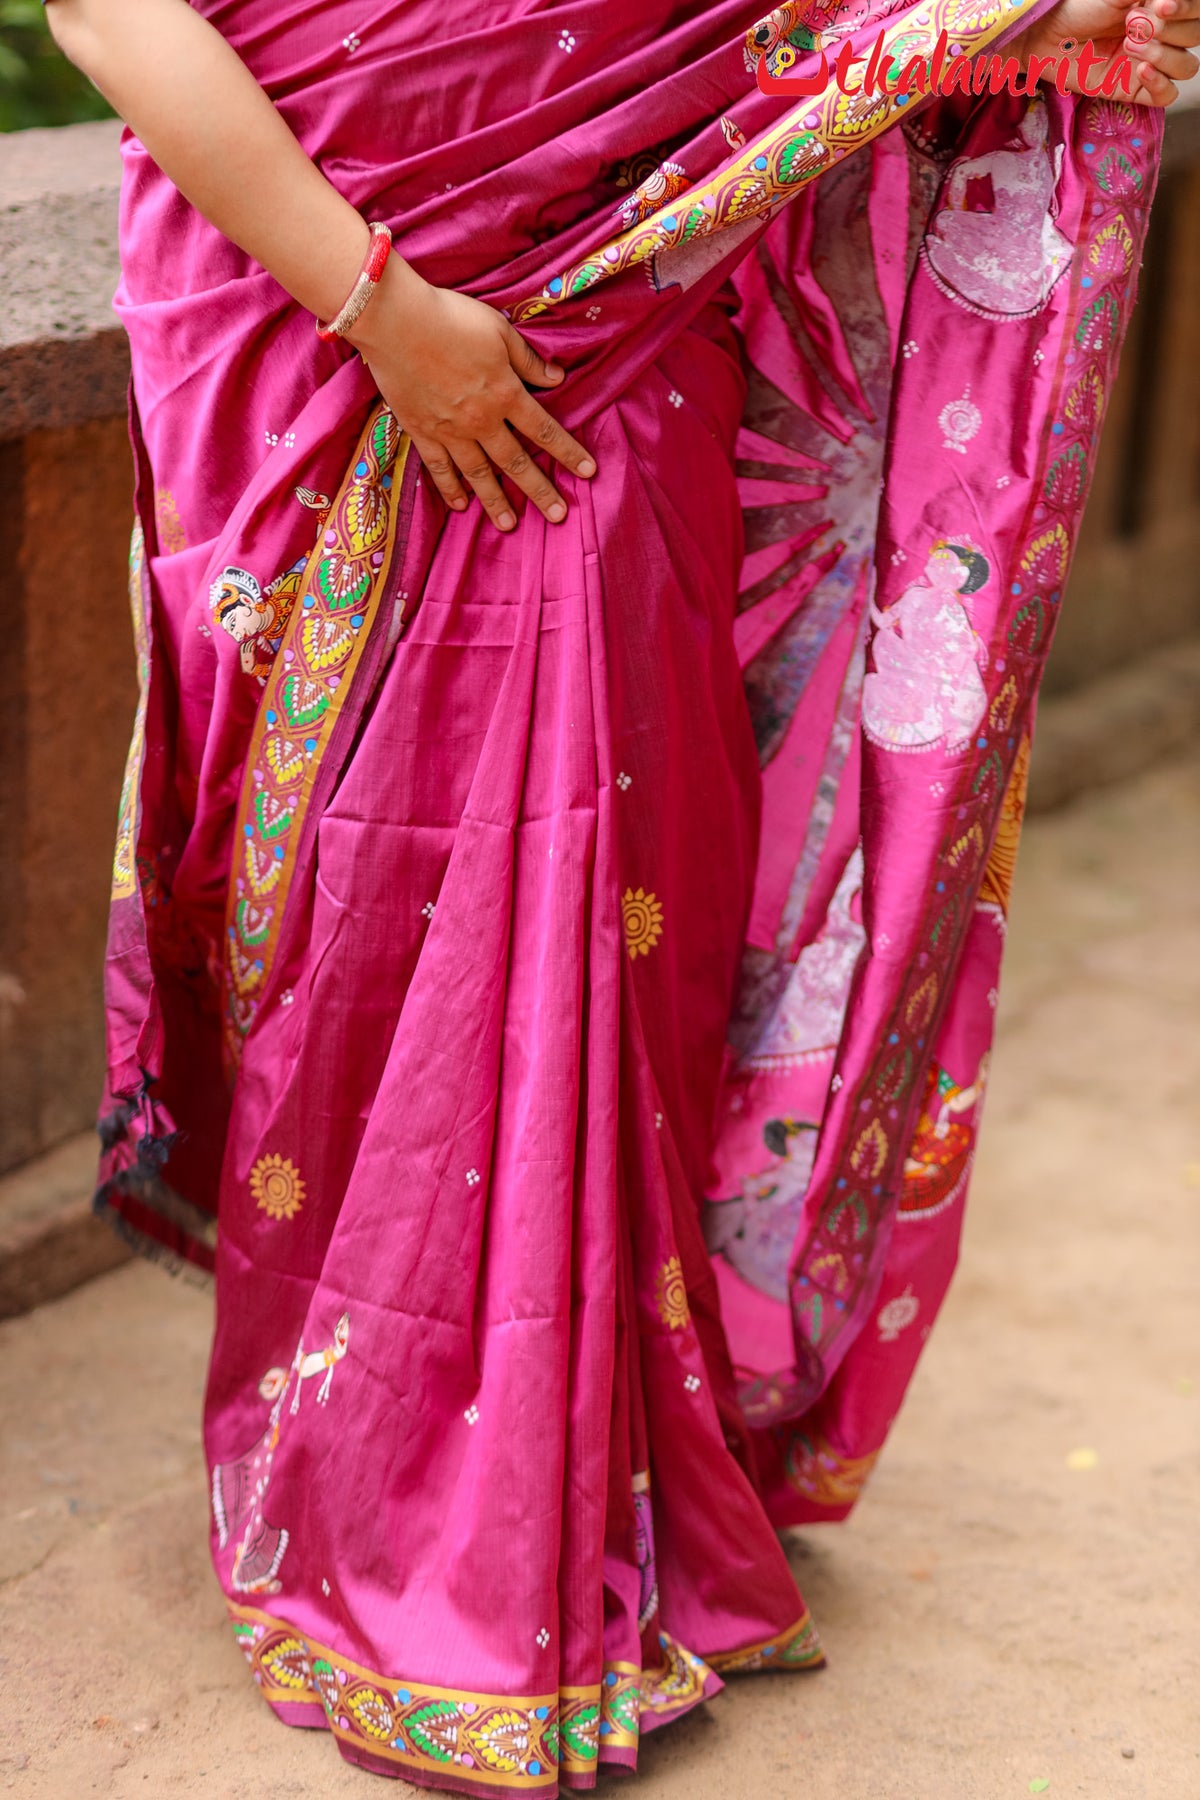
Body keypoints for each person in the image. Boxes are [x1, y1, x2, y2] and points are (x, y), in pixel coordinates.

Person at [42, 0, 1198, 1792]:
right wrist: (388, 312)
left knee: (621, 893)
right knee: (370, 926)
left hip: (632, 304)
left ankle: (590, 1489)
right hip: (333, 315)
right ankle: (372, 1498)